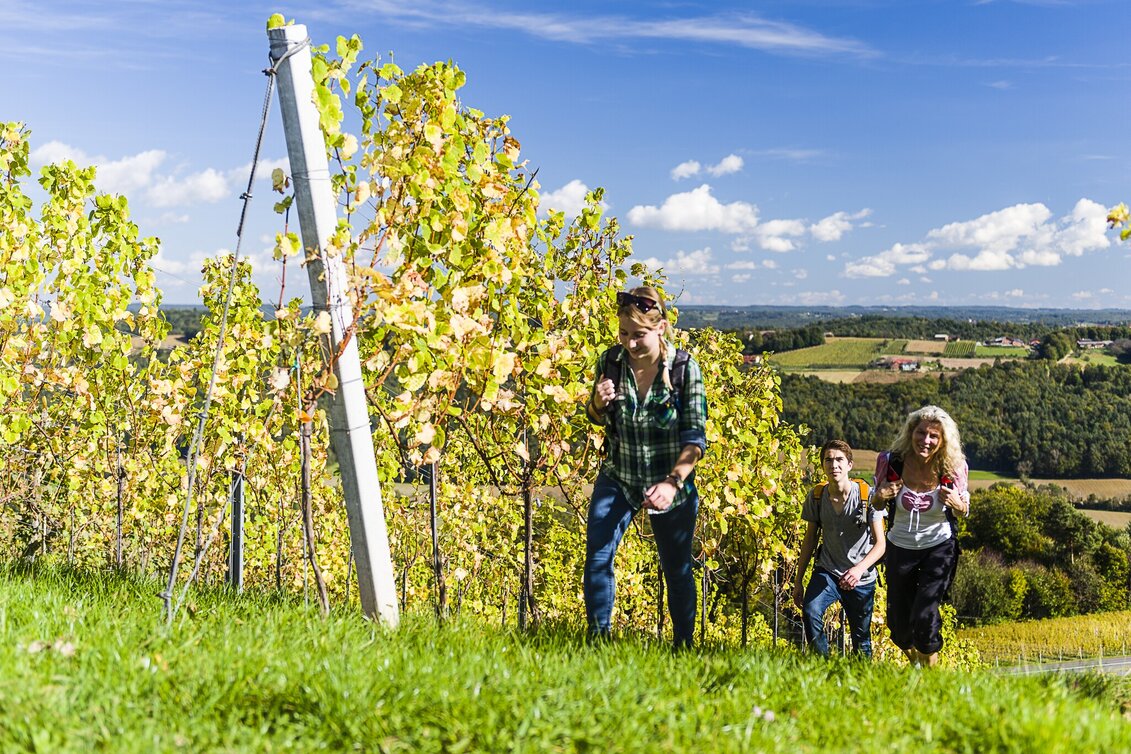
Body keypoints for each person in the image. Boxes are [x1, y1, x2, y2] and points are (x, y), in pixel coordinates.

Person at [584, 286, 708, 648]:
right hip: (620, 476)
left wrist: (672, 482)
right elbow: (595, 418)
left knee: (677, 570)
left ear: (661, 329)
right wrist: (595, 402)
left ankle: (684, 649)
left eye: (638, 335)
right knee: (598, 557)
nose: (630, 343)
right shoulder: (610, 362)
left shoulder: (685, 369)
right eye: (624, 334)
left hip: (670, 483)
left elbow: (695, 440)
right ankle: (597, 644)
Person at [872, 405, 970, 667]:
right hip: (900, 547)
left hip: (938, 548)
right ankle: (918, 664)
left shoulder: (953, 467)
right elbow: (876, 503)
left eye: (933, 436)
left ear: (943, 440)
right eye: (921, 432)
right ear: (910, 432)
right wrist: (880, 496)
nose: (925, 440)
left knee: (925, 616)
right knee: (899, 626)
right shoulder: (891, 461)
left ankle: (931, 678)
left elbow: (964, 510)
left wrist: (956, 503)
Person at [792, 440, 886, 658]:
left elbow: (881, 544)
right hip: (828, 571)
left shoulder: (867, 496)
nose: (834, 464)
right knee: (810, 611)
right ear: (823, 465)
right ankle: (823, 666)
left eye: (839, 460)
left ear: (849, 465)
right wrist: (798, 581)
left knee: (861, 639)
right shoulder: (816, 496)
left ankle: (861, 682)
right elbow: (809, 541)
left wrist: (858, 570)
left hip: (861, 578)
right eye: (828, 460)